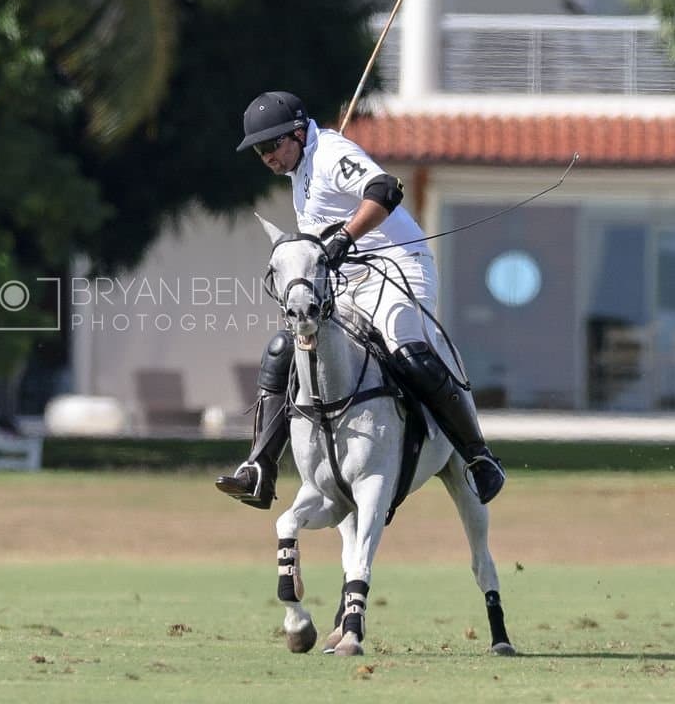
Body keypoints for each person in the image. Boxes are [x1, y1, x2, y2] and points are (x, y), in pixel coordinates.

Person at [215, 91, 505, 509]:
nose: (266, 157)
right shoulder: (302, 168)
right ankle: (260, 468)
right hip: (348, 280)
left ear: (298, 133)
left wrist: (345, 237)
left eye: (271, 145)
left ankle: (479, 457)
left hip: (399, 265)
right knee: (284, 350)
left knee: (406, 350)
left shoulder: (331, 153)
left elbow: (387, 189)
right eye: (259, 150)